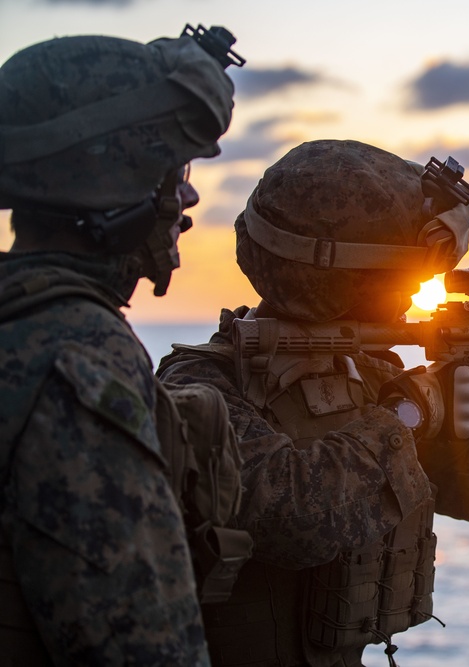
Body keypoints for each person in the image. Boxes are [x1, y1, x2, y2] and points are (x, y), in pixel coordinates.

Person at [156, 139, 469, 667]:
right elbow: (289, 517)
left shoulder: (368, 374)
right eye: (400, 274)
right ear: (340, 278)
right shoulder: (200, 387)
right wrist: (414, 410)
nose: (412, 290)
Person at [0, 25, 241, 664]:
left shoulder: (20, 325)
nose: (186, 195)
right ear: (112, 188)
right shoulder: (80, 361)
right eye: (170, 171)